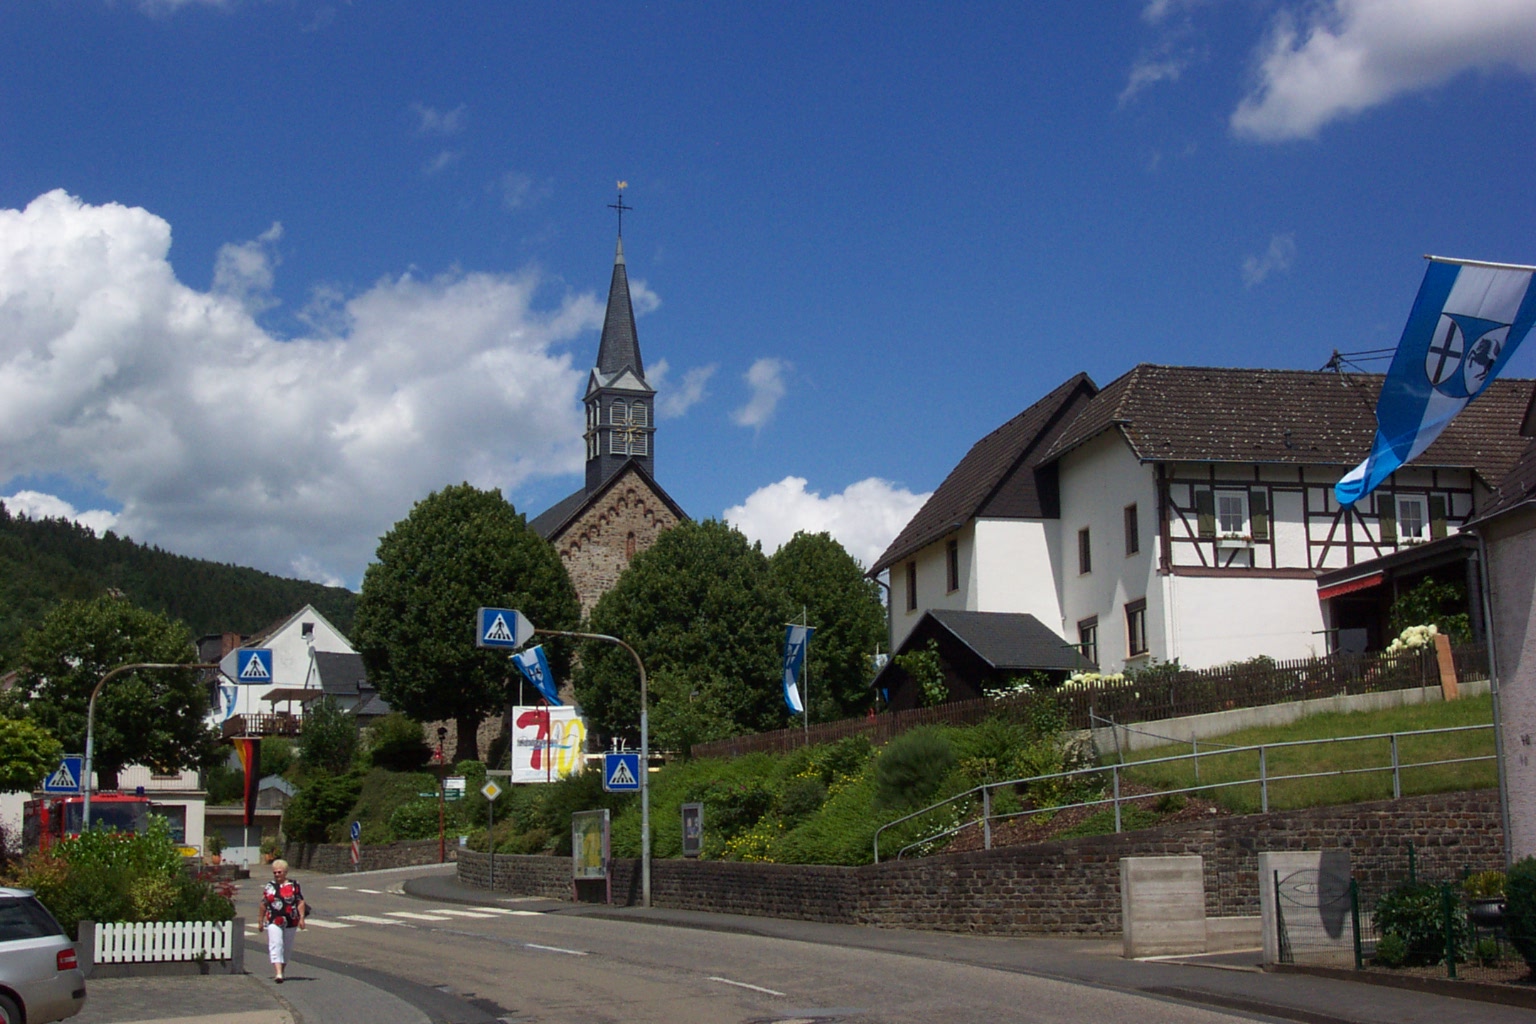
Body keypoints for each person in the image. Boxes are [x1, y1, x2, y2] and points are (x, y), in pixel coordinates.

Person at [258, 859, 306, 982]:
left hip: (291, 920)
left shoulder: (294, 885)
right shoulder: (270, 886)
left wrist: (302, 918)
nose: (277, 874)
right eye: (275, 872)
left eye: (279, 872)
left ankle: (282, 969)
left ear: (285, 872)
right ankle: (278, 973)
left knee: (287, 947)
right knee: (276, 944)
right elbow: (263, 904)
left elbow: (300, 901)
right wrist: (260, 920)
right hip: (274, 919)